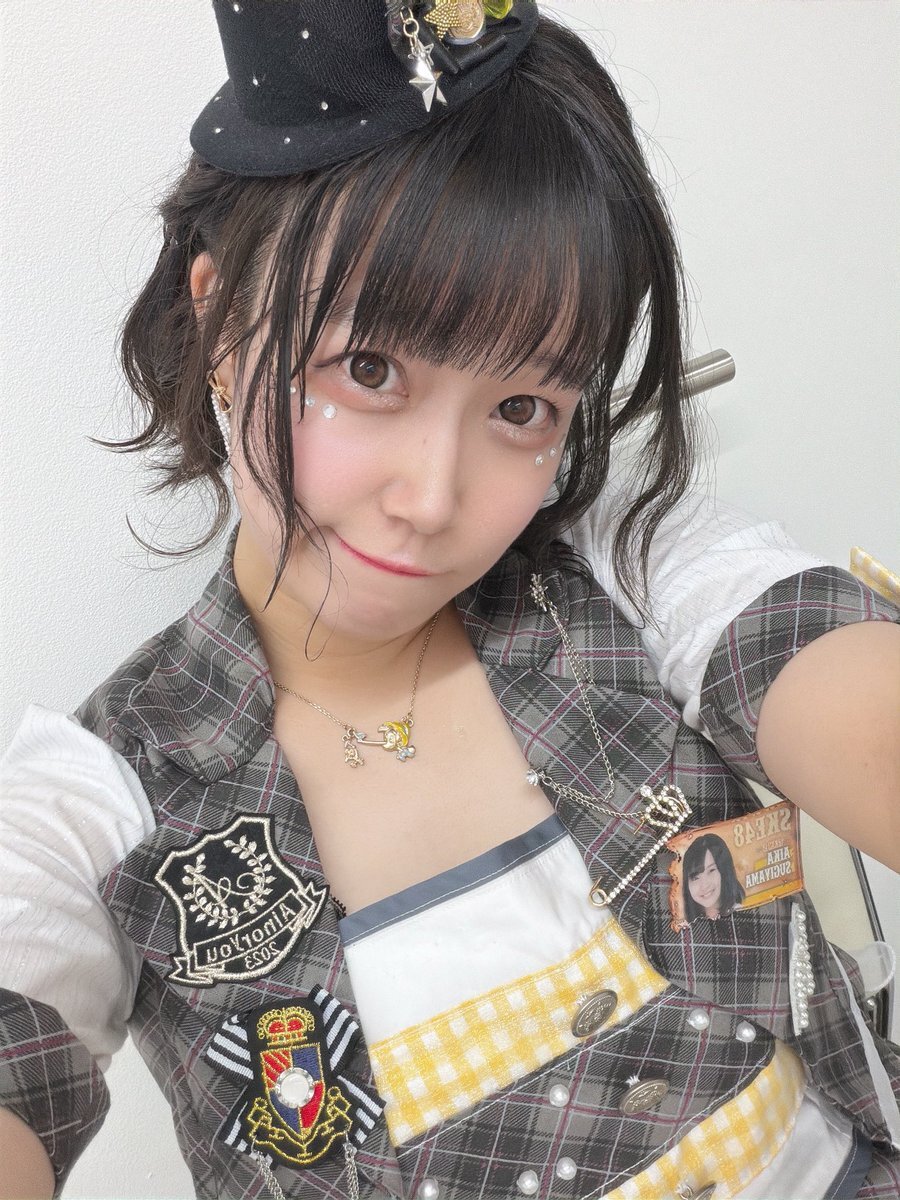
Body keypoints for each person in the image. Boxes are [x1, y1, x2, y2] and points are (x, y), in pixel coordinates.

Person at [1, 3, 899, 1199]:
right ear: (218, 319)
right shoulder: (103, 799)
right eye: (368, 369)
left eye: (523, 409)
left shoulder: (633, 572)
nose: (433, 500)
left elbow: (827, 673)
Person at [682, 834, 746, 923]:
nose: (704, 885)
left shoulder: (742, 915)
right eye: (695, 878)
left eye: (711, 870)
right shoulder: (683, 921)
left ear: (724, 871)